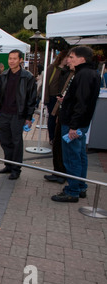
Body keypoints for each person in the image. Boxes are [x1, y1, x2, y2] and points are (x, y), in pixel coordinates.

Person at [51, 46, 101, 203]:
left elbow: (82, 103)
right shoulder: (89, 73)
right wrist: (67, 101)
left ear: (82, 59)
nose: (68, 60)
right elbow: (81, 100)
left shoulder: (84, 75)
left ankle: (72, 190)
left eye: (72, 57)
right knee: (79, 156)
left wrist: (74, 126)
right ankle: (79, 186)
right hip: (78, 123)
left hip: (74, 124)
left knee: (72, 157)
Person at [0, 49, 37, 180]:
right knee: (5, 141)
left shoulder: (28, 77)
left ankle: (16, 169)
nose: (11, 61)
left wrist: (28, 117)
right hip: (3, 113)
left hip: (18, 114)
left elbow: (32, 98)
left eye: (14, 58)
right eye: (10, 58)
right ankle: (8, 165)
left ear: (20, 60)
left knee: (16, 142)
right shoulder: (4, 75)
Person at [44, 55, 74, 185]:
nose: (69, 60)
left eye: (72, 57)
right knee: (58, 144)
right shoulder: (65, 72)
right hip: (61, 111)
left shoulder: (79, 75)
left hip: (68, 116)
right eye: (69, 57)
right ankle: (58, 172)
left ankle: (64, 174)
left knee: (64, 148)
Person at [43, 50, 69, 144]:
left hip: (63, 96)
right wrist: (46, 98)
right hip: (52, 97)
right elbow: (45, 83)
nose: (68, 60)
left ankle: (58, 137)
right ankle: (52, 137)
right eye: (67, 57)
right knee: (52, 117)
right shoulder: (52, 67)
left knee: (61, 118)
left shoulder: (68, 69)